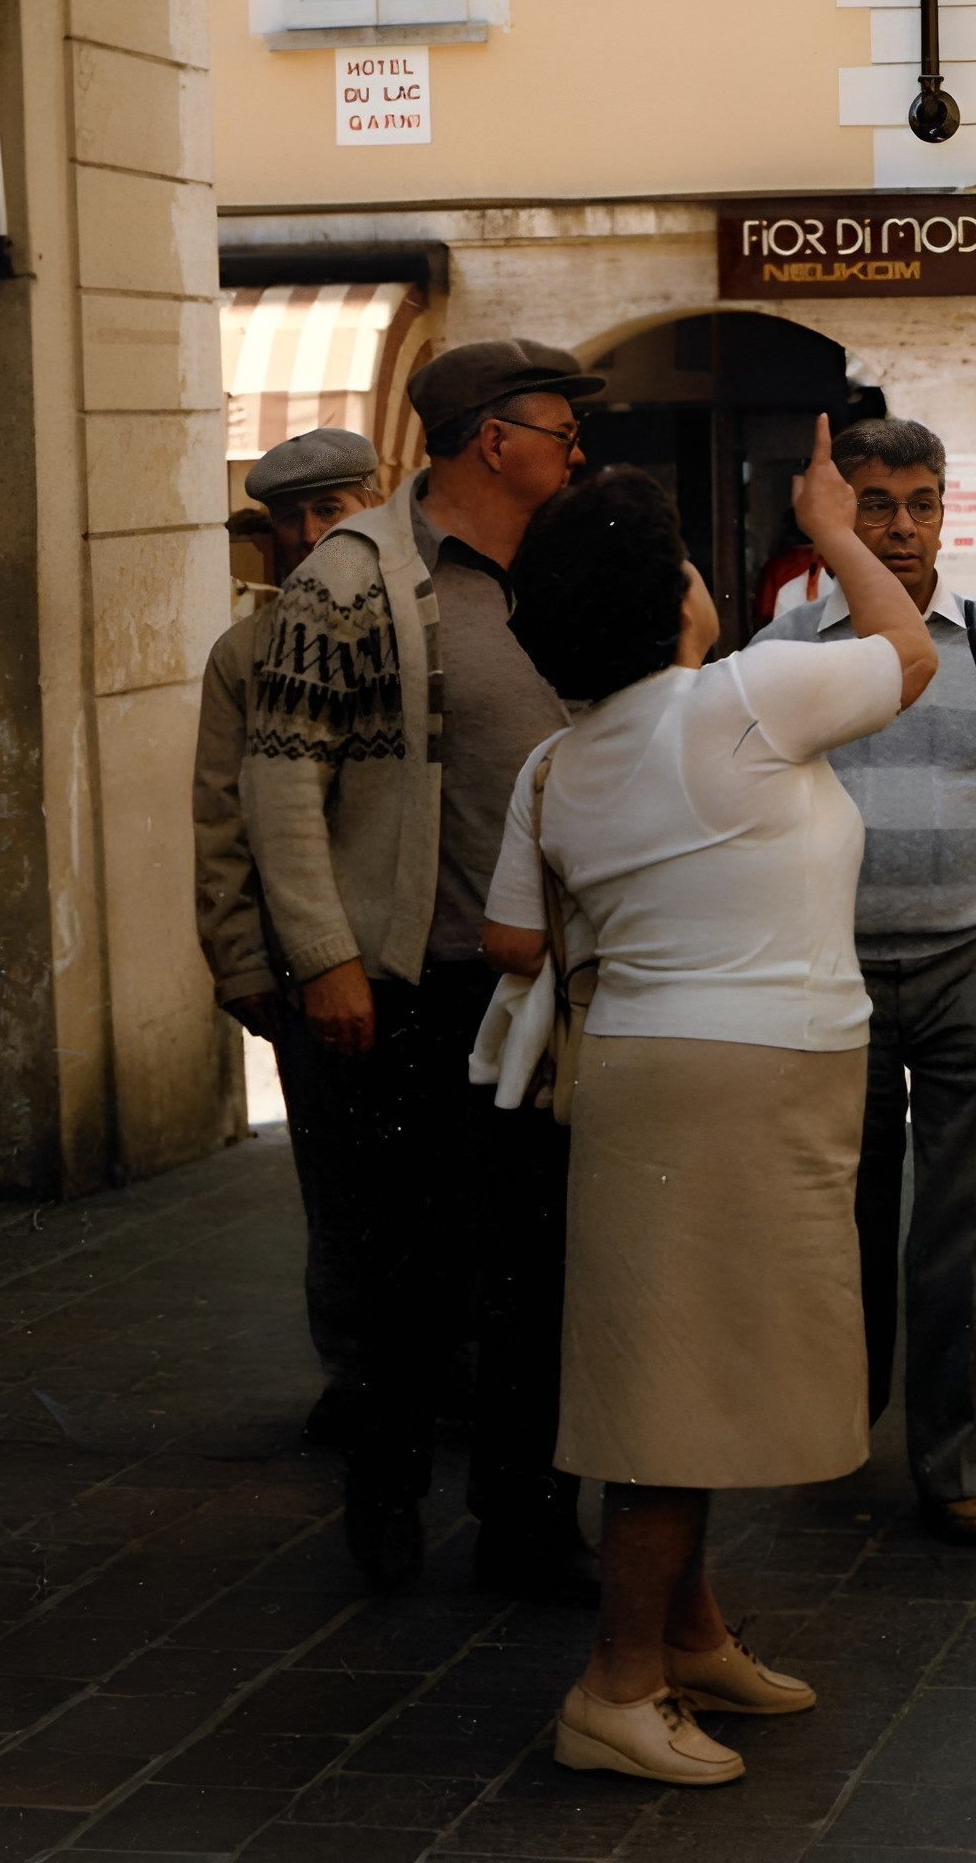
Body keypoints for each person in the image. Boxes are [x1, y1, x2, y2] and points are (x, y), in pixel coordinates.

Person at [476, 445, 934, 1785]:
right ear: (670, 597)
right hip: (745, 1076)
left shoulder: (558, 764)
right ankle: (614, 1689)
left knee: (687, 1365)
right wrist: (834, 532)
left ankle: (685, 1633)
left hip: (650, 1071)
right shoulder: (739, 700)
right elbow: (907, 653)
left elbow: (514, 938)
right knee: (674, 1397)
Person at [244, 339, 601, 1599]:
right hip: (402, 988)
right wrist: (327, 960)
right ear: (493, 440)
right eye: (561, 432)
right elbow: (281, 781)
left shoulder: (566, 569)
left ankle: (526, 1521)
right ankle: (385, 1504)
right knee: (401, 1278)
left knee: (536, 1273)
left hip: (540, 993)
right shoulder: (351, 579)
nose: (576, 454)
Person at [757, 419, 976, 1546]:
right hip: (830, 980)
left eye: (918, 503)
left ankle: (957, 1465)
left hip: (966, 972)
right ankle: (828, 1426)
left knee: (962, 1228)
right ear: (833, 510)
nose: (900, 528)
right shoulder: (787, 646)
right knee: (833, 1221)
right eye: (873, 504)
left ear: (945, 514)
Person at [195, 427, 377, 1446]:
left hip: (425, 957)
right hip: (308, 971)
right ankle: (353, 1375)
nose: (306, 540)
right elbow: (220, 822)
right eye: (285, 524)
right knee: (337, 1191)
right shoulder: (246, 654)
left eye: (330, 514)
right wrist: (239, 959)